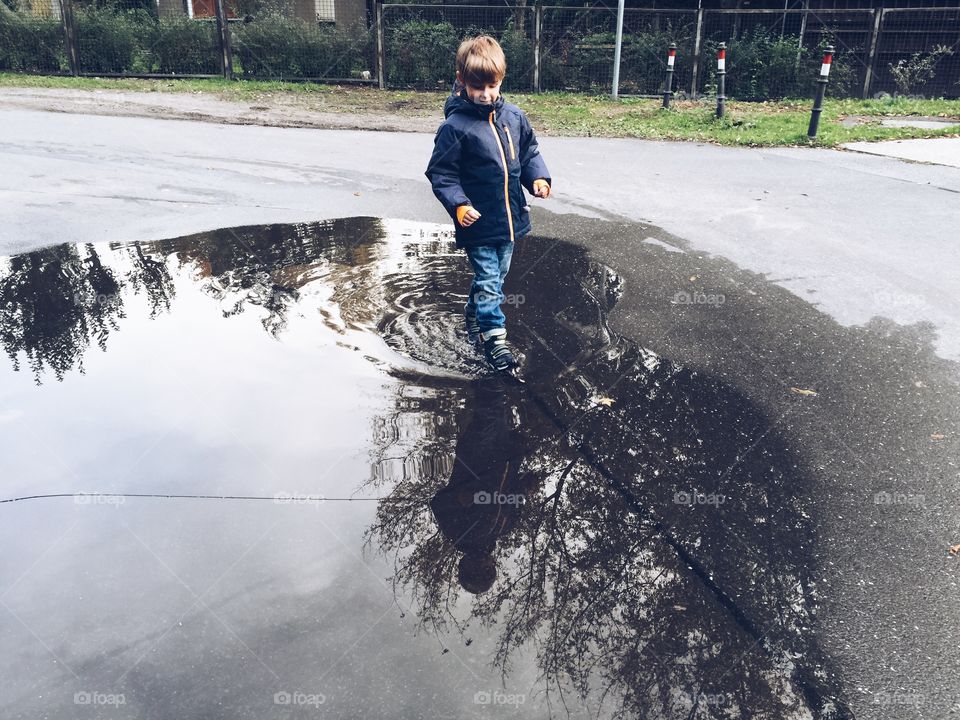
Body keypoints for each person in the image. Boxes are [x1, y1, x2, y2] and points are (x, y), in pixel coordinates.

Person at [425, 35, 552, 372]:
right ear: (461, 80)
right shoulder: (455, 128)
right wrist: (459, 206)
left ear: (501, 80)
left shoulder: (514, 118)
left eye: (491, 85)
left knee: (498, 275)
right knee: (488, 281)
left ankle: (472, 314)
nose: (484, 94)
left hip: (510, 219)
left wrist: (538, 179)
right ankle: (495, 339)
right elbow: (442, 174)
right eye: (476, 86)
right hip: (478, 222)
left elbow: (528, 154)